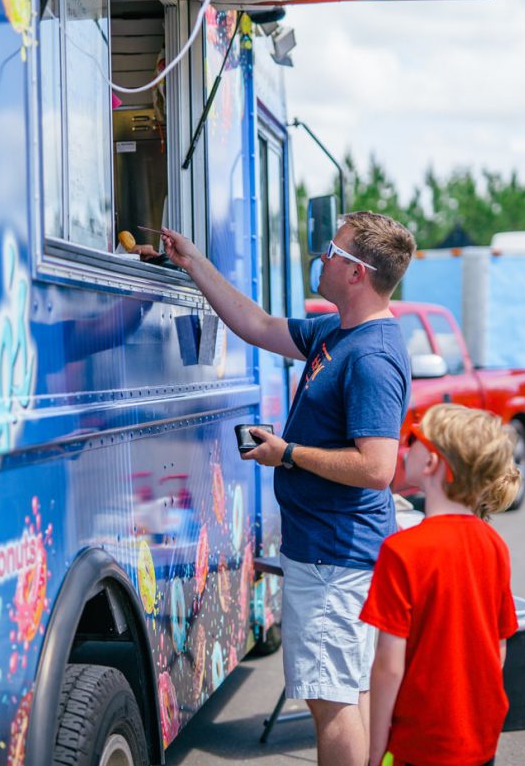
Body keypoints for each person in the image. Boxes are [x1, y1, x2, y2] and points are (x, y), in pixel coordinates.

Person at [159, 211, 416, 765]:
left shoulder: (370, 355)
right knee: (348, 691)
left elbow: (377, 467)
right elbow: (256, 324)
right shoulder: (336, 331)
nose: (320, 256)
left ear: (357, 273)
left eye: (332, 250)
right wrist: (195, 262)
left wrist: (288, 454)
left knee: (332, 704)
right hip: (333, 554)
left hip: (335, 561)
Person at [361, 404, 521, 766]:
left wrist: (375, 749)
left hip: (420, 741)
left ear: (432, 463)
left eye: (414, 438)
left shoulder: (402, 551)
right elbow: (500, 646)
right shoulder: (494, 545)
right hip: (478, 737)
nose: (405, 442)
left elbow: (388, 665)